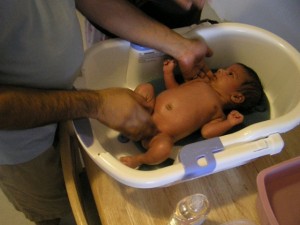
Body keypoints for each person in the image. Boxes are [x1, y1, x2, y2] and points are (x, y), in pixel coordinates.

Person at [0, 1, 212, 225]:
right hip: (17, 145)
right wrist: (96, 104)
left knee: (76, 165)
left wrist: (181, 47)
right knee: (49, 203)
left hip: (64, 94)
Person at [120, 59, 263, 168]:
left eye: (230, 74)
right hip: (147, 110)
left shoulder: (218, 113)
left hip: (157, 135)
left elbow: (207, 132)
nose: (221, 70)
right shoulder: (201, 82)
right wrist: (168, 73)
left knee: (164, 148)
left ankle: (139, 159)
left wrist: (229, 123)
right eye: (225, 69)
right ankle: (128, 117)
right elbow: (175, 89)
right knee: (146, 88)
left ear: (236, 97)